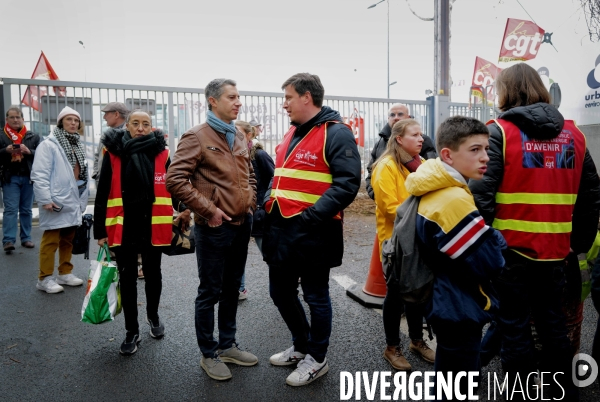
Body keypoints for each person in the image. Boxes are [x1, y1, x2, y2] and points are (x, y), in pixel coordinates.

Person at [469, 63, 600, 401]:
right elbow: (590, 200)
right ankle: (562, 391)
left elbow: (480, 199)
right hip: (557, 252)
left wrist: (481, 254)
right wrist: (577, 247)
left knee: (514, 330)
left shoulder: (497, 132)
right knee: (552, 324)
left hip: (509, 253)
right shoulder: (575, 136)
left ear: (506, 91)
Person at [263, 73, 361, 386]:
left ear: (307, 97)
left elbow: (348, 184)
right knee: (279, 292)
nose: (284, 105)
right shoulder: (292, 132)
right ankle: (301, 345)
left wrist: (310, 217)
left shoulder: (337, 133)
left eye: (288, 97)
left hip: (314, 232)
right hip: (281, 230)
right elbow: (278, 175)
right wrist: (267, 199)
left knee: (315, 297)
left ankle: (316, 359)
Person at [403, 116, 506, 398]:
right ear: (447, 154)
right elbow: (491, 261)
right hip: (458, 306)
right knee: (459, 385)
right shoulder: (453, 200)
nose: (486, 157)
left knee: (448, 376)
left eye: (486, 148)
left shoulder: (432, 186)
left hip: (441, 298)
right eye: (475, 149)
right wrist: (496, 237)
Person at [166, 78, 258, 381]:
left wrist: (251, 202)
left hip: (242, 224)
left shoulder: (239, 137)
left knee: (232, 287)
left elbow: (250, 175)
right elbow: (175, 179)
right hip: (214, 227)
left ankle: (228, 344)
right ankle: (209, 353)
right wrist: (209, 210)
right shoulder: (196, 136)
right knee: (210, 292)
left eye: (239, 97)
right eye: (232, 97)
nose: (238, 102)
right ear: (212, 101)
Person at [93, 109, 190, 356]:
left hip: (152, 225)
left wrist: (184, 208)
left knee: (153, 274)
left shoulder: (162, 153)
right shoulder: (113, 153)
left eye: (145, 124)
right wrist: (99, 231)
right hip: (123, 226)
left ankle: (153, 316)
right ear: (127, 126)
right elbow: (103, 192)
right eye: (135, 123)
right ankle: (131, 330)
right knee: (127, 278)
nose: (140, 128)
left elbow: (173, 186)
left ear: (151, 127)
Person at [370, 119, 435, 371]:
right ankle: (392, 347)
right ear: (399, 139)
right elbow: (389, 208)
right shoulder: (386, 166)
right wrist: (426, 215)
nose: (421, 138)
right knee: (396, 294)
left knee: (418, 292)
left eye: (421, 133)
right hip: (395, 242)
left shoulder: (422, 165)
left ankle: (417, 341)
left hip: (418, 238)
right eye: (415, 134)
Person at [31, 106, 89, 294]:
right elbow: (39, 174)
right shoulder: (49, 144)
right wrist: (45, 199)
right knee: (51, 240)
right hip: (56, 200)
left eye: (76, 120)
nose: (73, 123)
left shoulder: (78, 144)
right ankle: (44, 278)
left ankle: (65, 272)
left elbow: (83, 174)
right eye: (69, 119)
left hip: (74, 198)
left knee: (68, 239)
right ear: (61, 122)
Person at [235, 120, 275, 300]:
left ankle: (284, 286)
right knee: (237, 254)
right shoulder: (234, 154)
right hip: (240, 213)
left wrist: (263, 203)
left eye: (239, 134)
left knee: (268, 253)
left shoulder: (259, 155)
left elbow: (274, 179)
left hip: (259, 214)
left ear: (249, 135)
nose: (235, 137)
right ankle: (239, 289)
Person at [365, 103, 437, 200]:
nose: (396, 117)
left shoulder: (422, 141)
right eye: (392, 115)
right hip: (389, 204)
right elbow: (371, 170)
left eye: (400, 114)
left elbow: (432, 171)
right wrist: (376, 193)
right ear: (388, 118)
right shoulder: (380, 143)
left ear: (408, 117)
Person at [1, 106, 40, 253]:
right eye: (12, 117)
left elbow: (42, 155)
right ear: (7, 119)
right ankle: (8, 241)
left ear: (23, 119)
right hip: (10, 178)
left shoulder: (33, 136)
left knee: (26, 210)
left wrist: (29, 151)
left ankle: (26, 238)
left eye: (18, 117)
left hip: (28, 177)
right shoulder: (2, 136)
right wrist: (6, 151)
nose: (15, 120)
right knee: (11, 209)